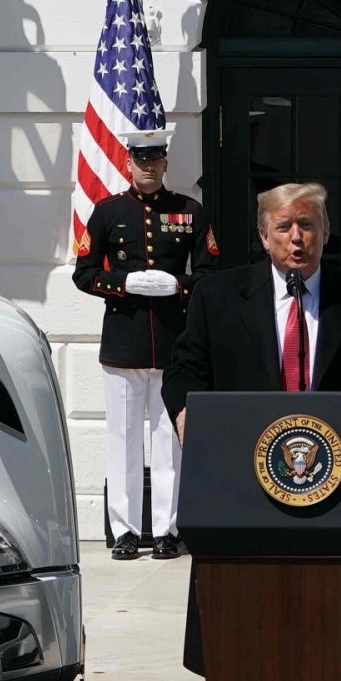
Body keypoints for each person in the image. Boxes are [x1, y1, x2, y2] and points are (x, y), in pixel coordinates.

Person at [162, 182, 341, 673]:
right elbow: (185, 371)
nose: (297, 238)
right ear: (263, 235)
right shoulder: (218, 296)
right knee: (244, 648)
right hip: (243, 493)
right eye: (284, 227)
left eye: (308, 225)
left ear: (326, 231)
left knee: (328, 651)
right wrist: (187, 416)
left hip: (336, 494)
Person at [73, 125, 216, 561]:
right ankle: (125, 530)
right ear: (128, 163)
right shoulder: (106, 212)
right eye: (140, 160)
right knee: (123, 438)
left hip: (175, 344)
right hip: (124, 343)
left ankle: (169, 529)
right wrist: (125, 282)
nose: (148, 167)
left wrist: (179, 286)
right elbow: (83, 273)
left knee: (170, 438)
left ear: (165, 163)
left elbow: (210, 274)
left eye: (155, 160)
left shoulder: (190, 212)